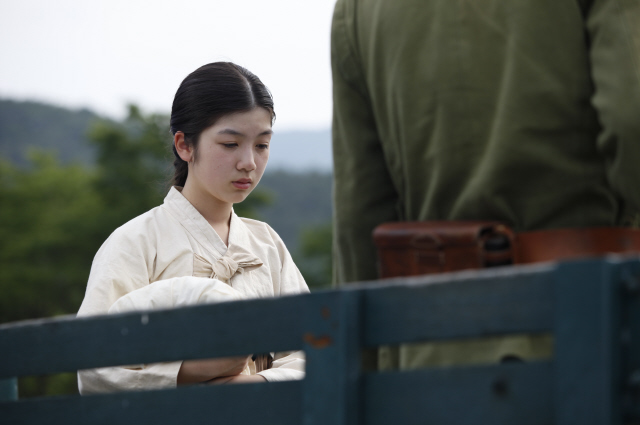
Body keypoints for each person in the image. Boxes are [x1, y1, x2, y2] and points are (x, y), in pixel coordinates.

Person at [331, 0, 640, 369]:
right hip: (592, 338)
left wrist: (361, 380)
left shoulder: (357, 8)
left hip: (428, 358)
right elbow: (632, 119)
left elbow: (359, 218)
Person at [77, 62, 309, 394]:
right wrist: (192, 373)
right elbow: (94, 366)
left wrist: (251, 383)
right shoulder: (135, 242)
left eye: (261, 145)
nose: (249, 162)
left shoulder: (267, 244)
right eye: (230, 144)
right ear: (185, 145)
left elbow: (311, 350)